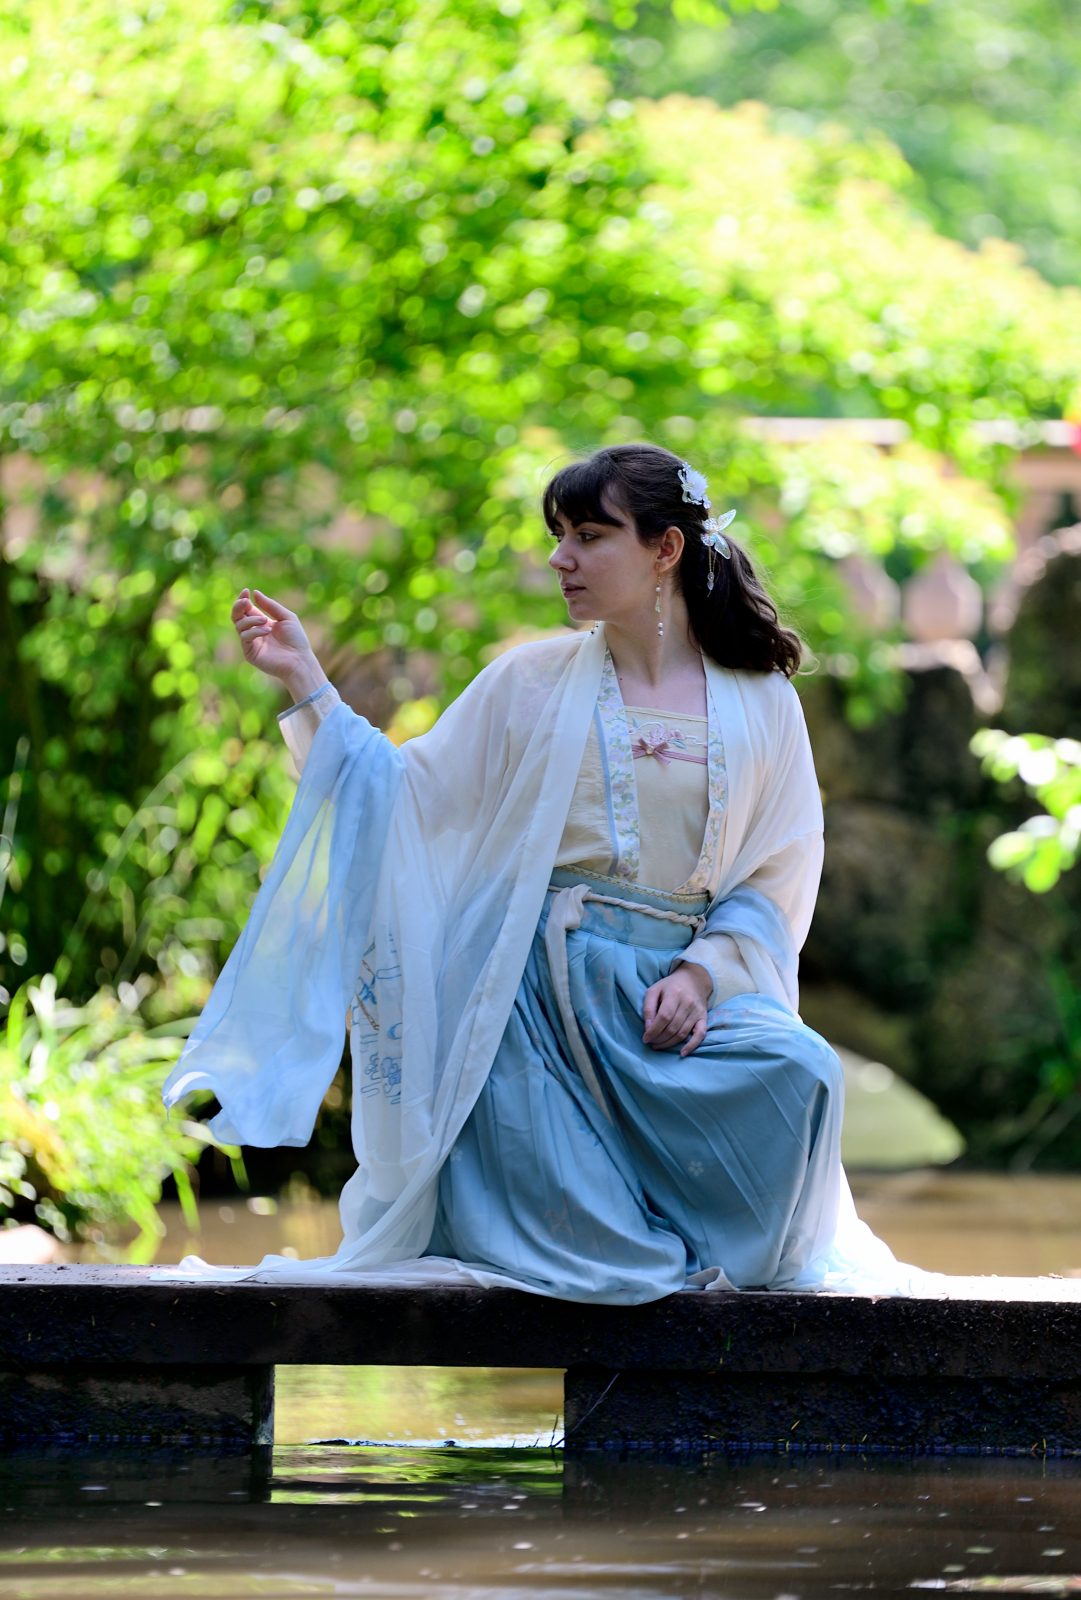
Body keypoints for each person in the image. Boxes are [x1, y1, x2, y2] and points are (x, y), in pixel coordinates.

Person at [163, 442, 910, 1299]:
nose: (561, 559)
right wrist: (306, 682)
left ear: (665, 549)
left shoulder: (759, 700)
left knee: (801, 1074)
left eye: (589, 536)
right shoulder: (528, 680)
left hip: (675, 997)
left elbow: (776, 871)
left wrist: (701, 974)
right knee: (600, 1257)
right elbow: (405, 800)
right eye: (559, 536)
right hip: (533, 1007)